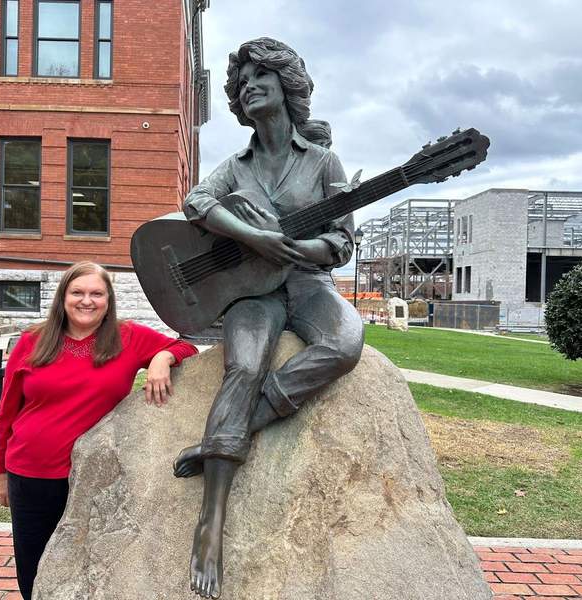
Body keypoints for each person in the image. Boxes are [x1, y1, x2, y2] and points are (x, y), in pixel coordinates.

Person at [174, 38, 365, 598]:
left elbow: (341, 241)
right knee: (244, 364)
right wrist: (255, 236)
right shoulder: (235, 166)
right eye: (242, 81)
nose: (249, 85)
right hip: (252, 292)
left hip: (306, 284)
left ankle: (231, 433)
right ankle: (210, 522)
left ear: (287, 86)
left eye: (263, 76)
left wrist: (304, 251)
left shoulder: (323, 161)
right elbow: (196, 204)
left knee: (345, 342)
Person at [0, 261, 198, 599]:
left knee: (89, 564)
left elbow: (187, 346)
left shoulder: (128, 337)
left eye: (96, 294)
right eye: (78, 292)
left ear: (108, 300)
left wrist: (163, 358)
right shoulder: (33, 341)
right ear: (63, 298)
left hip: (96, 477)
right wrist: (0, 471)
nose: (86, 301)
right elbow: (7, 412)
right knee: (34, 568)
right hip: (31, 473)